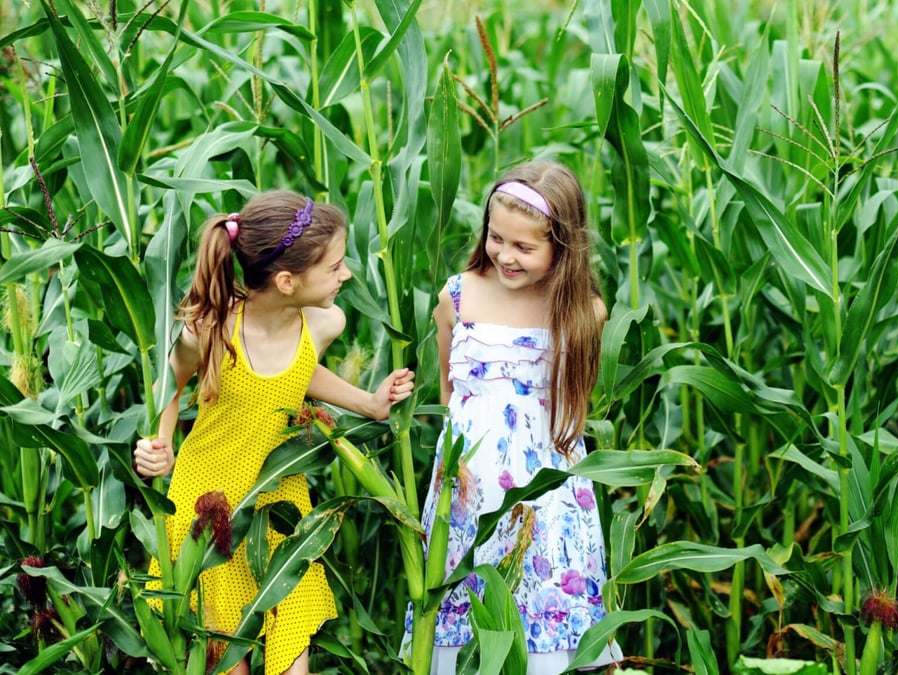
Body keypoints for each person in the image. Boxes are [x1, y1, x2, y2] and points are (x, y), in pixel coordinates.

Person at [134, 190, 415, 675]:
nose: (345, 275)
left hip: (280, 514)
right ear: (287, 280)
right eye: (334, 268)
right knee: (227, 665)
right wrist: (162, 447)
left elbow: (298, 373)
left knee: (292, 662)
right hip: (209, 514)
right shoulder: (212, 329)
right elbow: (168, 386)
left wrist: (369, 403)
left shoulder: (325, 323)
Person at [410, 160, 622, 673]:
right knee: (470, 596)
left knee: (540, 602)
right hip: (468, 486)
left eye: (524, 247)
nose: (505, 254)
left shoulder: (583, 312)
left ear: (563, 248)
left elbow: (577, 399)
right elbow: (449, 390)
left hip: (546, 487)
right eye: (496, 238)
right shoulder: (456, 296)